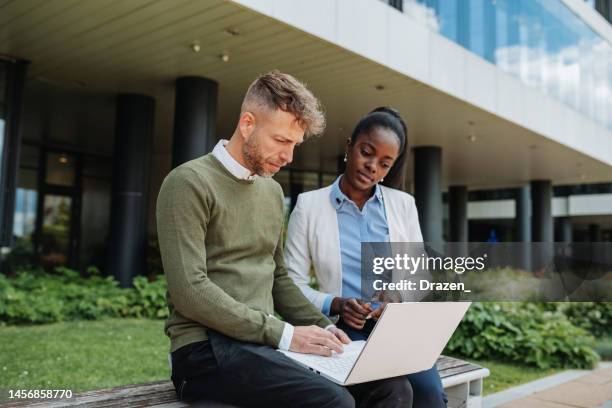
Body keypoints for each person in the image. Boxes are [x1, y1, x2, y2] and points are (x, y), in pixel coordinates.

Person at [156, 72, 413, 407]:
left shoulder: (271, 191)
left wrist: (326, 328)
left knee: (393, 388)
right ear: (247, 124)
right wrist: (286, 334)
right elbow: (189, 291)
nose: (289, 157)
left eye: (295, 144)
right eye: (281, 141)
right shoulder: (188, 182)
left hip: (262, 345)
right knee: (334, 402)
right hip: (204, 350)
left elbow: (277, 277)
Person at [285, 107, 448, 407]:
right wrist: (336, 303)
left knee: (430, 396)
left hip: (396, 328)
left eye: (384, 163)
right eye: (366, 152)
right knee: (395, 392)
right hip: (341, 330)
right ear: (349, 147)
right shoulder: (309, 207)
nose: (372, 167)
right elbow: (290, 285)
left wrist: (396, 297)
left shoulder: (403, 205)